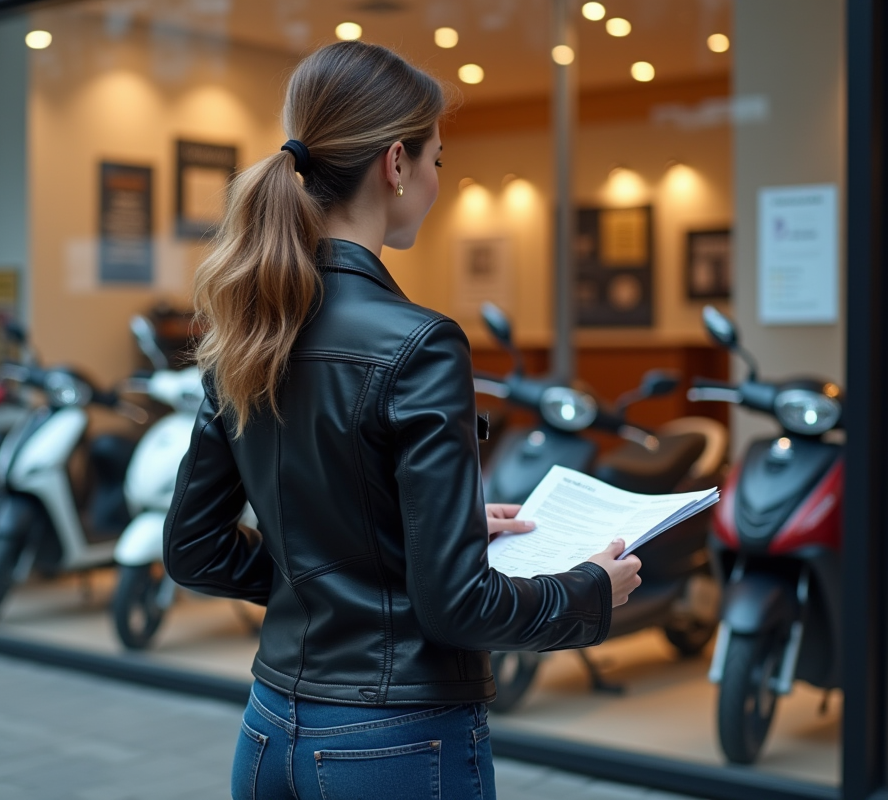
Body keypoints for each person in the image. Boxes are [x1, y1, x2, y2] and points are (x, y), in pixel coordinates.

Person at [164, 40, 642, 800]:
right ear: (396, 163)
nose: (435, 181)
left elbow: (195, 550)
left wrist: (360, 568)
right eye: (437, 162)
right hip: (393, 743)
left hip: (266, 732)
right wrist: (588, 590)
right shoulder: (420, 342)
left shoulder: (250, 324)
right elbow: (456, 606)